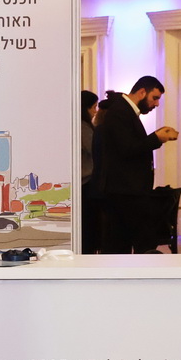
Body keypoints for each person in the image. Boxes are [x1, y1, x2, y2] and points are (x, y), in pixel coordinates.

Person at [92, 76, 179, 254]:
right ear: (141, 92)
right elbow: (127, 148)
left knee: (127, 242)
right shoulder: (120, 112)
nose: (156, 104)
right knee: (125, 244)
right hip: (124, 192)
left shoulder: (125, 111)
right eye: (155, 98)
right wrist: (156, 138)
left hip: (128, 191)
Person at [80, 90, 100, 252]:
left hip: (84, 182)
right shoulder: (83, 127)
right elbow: (95, 149)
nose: (96, 111)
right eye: (93, 107)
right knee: (88, 226)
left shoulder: (81, 126)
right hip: (85, 182)